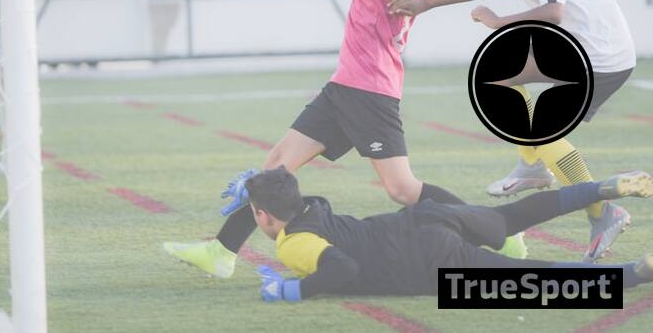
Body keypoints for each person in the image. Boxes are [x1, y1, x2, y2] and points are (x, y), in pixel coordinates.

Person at [164, 0, 524, 279]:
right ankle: (222, 252)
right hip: (345, 88)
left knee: (403, 189)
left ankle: (497, 231)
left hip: (369, 93)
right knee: (277, 166)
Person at [388, 0, 637, 262]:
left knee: (541, 129)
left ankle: (602, 211)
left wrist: (499, 21)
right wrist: (424, 4)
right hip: (581, 49)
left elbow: (553, 12)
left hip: (602, 58)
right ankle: (533, 165)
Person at [243, 167, 652, 302]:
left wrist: (291, 290)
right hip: (427, 216)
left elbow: (342, 269)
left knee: (524, 280)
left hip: (423, 257)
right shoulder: (313, 205)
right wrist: (258, 185)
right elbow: (286, 193)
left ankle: (636, 272)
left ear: (263, 215)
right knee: (512, 215)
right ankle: (601, 188)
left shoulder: (293, 243)